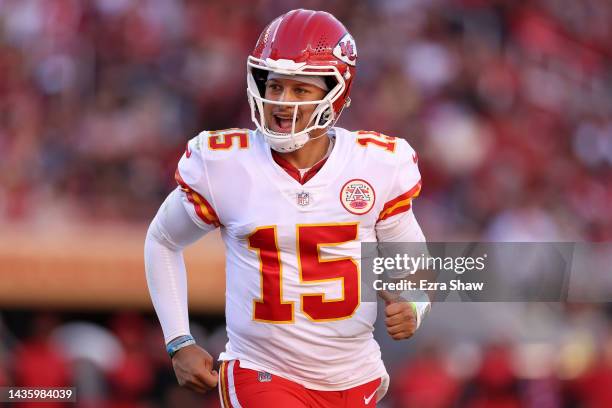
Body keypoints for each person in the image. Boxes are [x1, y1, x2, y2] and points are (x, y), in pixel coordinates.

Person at [144, 9, 429, 407]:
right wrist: (178, 339)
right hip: (262, 370)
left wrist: (414, 303)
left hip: (355, 376)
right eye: (275, 86)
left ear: (336, 92)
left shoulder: (378, 164)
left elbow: (413, 259)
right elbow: (162, 240)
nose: (281, 102)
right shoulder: (224, 163)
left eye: (300, 90)